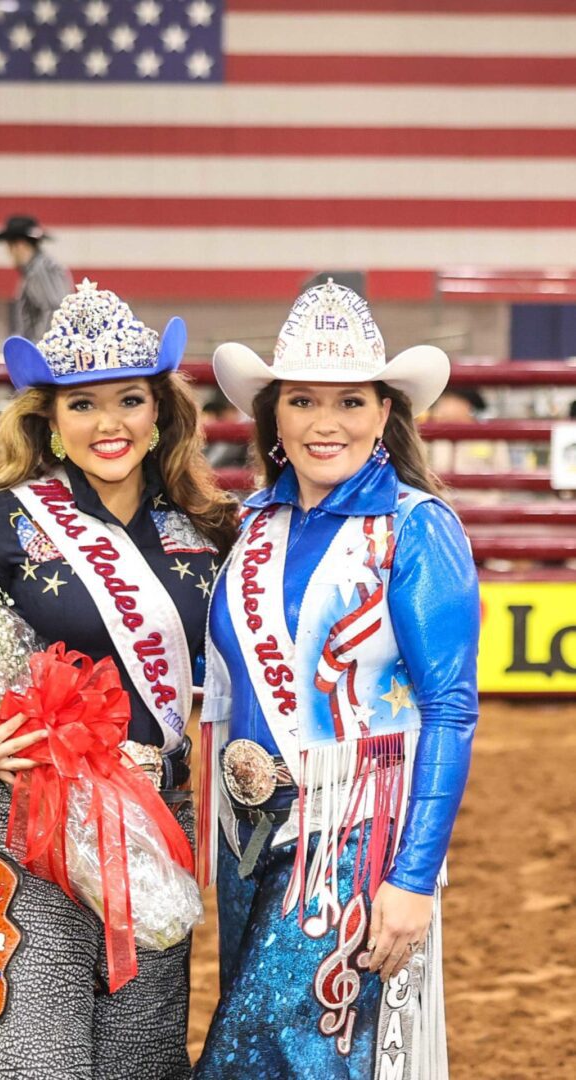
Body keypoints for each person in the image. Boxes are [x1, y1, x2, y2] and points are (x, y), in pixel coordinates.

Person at [0, 279, 237, 1080]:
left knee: (140, 1060)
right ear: (49, 421)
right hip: (28, 816)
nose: (110, 423)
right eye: (82, 405)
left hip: (158, 820)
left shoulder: (209, 525)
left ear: (160, 410)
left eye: (129, 399)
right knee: (27, 1059)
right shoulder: (3, 517)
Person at [194, 280, 479, 1079]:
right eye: (304, 401)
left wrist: (413, 878)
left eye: (351, 401)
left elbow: (451, 710)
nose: (327, 423)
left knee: (269, 1056)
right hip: (244, 833)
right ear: (273, 415)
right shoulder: (248, 524)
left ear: (386, 413)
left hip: (354, 830)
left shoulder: (418, 528)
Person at [0, 214, 73, 341]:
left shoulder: (41, 270)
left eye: (9, 246)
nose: (8, 253)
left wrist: (41, 352)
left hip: (43, 355)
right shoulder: (37, 269)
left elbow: (55, 310)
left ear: (19, 245)